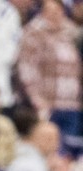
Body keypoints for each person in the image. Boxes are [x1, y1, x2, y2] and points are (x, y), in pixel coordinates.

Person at [17, 0, 80, 137]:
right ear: (42, 13)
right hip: (46, 105)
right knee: (48, 146)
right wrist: (37, 101)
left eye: (57, 10)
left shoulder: (72, 34)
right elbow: (27, 70)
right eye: (49, 11)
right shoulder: (33, 33)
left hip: (72, 105)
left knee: (69, 152)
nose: (54, 14)